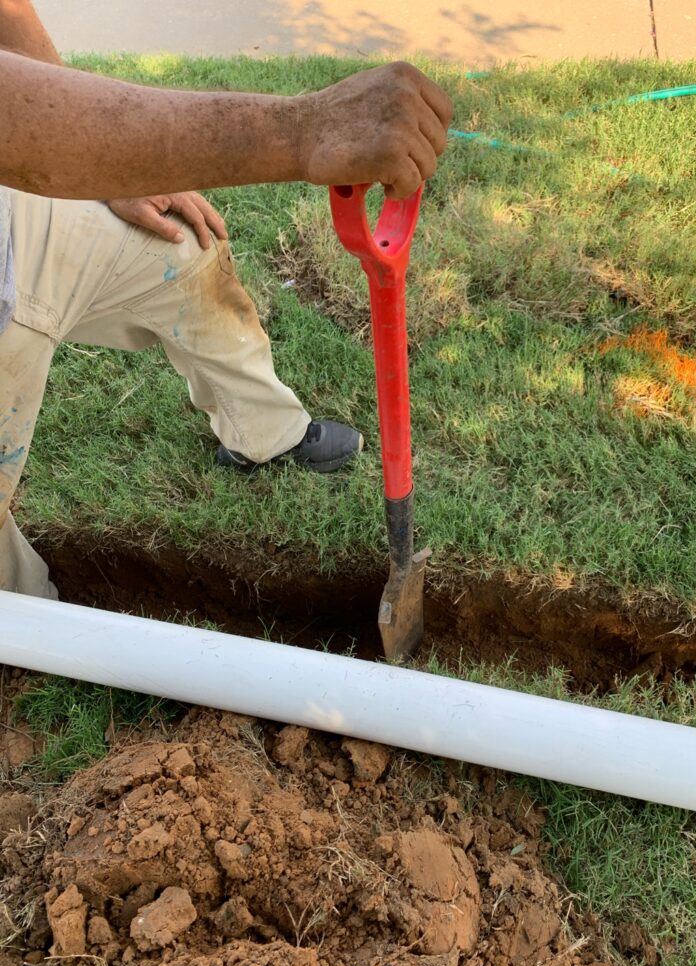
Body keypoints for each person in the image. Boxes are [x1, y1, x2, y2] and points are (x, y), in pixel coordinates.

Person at [0, 0, 452, 599]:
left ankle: (262, 433)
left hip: (14, 202)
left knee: (183, 248)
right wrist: (304, 130)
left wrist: (112, 172)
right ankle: (35, 646)